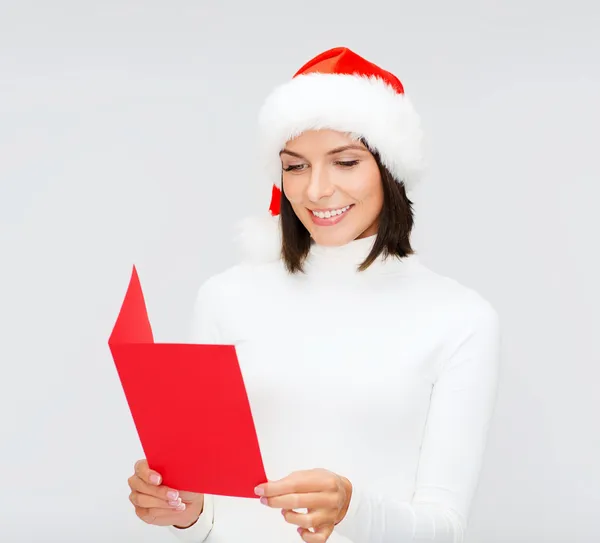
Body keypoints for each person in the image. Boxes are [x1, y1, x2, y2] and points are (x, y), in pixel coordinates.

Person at [126, 47, 501, 543]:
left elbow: (443, 528)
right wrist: (184, 511)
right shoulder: (225, 298)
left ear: (390, 171)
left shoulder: (460, 318)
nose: (317, 190)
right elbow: (210, 517)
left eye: (345, 162)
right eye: (296, 166)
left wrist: (354, 509)